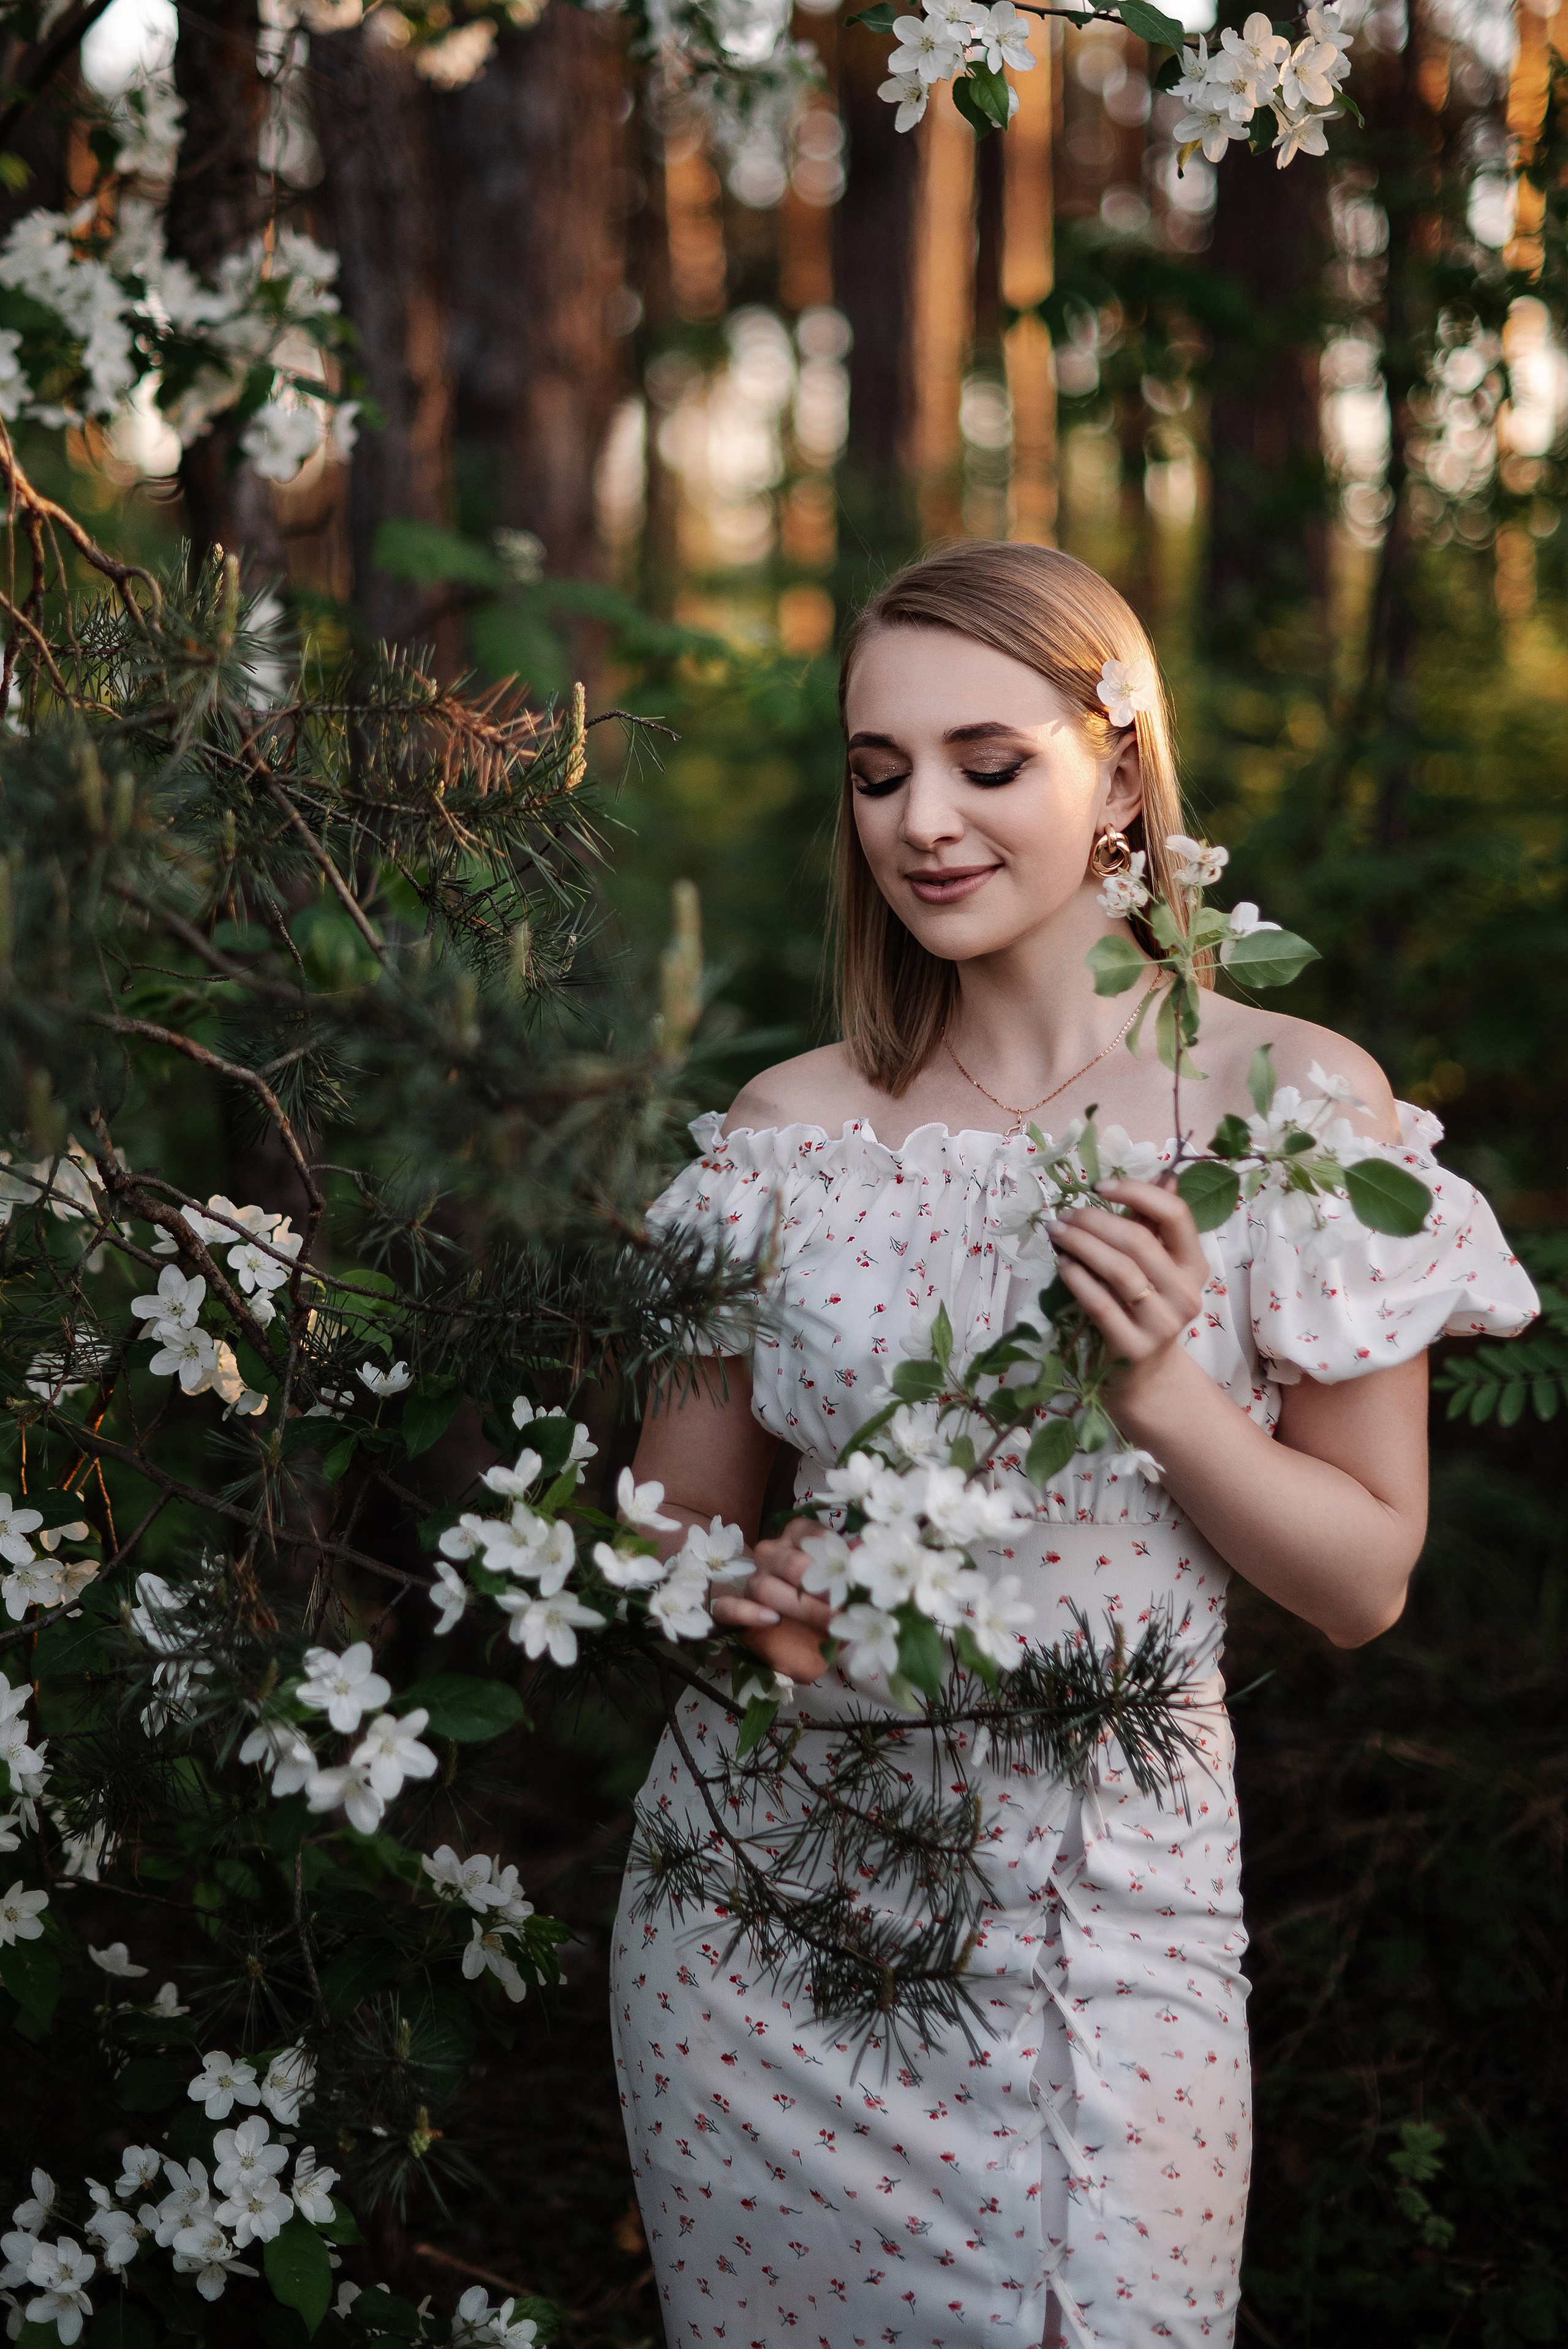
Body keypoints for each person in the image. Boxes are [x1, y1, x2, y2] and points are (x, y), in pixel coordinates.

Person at [609, 541, 1538, 2349]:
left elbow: (1364, 1579)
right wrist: (743, 1592)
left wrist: (1164, 1399)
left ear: (1118, 765)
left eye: (986, 761)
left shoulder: (1289, 1107)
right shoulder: (786, 1128)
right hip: (756, 1921)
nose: (923, 822)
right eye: (879, 775)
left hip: (1101, 1922)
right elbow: (668, 1529)